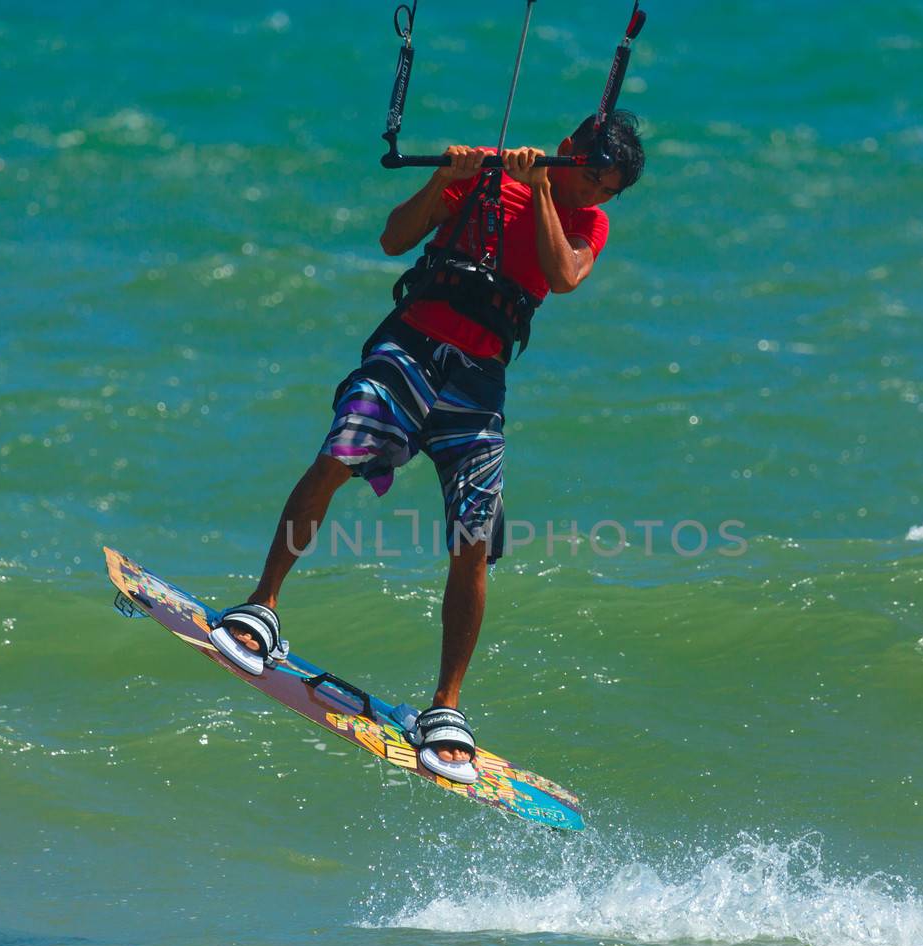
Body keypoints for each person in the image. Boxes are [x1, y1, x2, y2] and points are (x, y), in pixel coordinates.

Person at [209, 113, 646, 784]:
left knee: (476, 535)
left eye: (606, 191)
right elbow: (394, 238)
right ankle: (262, 606)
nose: (594, 196)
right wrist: (447, 178)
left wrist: (547, 197)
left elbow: (563, 276)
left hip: (478, 380)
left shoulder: (586, 222)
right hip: (411, 344)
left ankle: (444, 706)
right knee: (337, 456)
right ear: (566, 151)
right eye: (588, 178)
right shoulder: (487, 176)